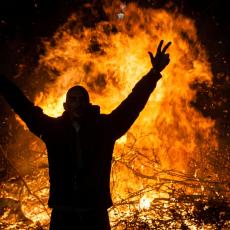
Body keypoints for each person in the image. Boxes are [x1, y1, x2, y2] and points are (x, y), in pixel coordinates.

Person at [0, 40, 171, 229]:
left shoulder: (105, 129)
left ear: (88, 105)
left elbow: (132, 105)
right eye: (72, 100)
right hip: (63, 214)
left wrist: (153, 74)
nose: (78, 104)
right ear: (66, 106)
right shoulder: (53, 131)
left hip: (95, 214)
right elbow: (23, 107)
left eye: (82, 100)